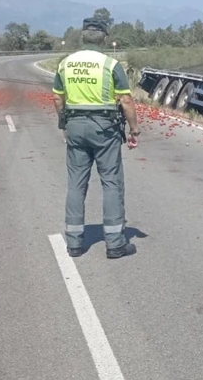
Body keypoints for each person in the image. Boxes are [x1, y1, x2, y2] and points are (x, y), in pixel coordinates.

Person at [51, 17, 141, 258]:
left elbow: (58, 99)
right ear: (104, 37)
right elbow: (126, 101)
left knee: (76, 184)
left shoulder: (65, 64)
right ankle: (115, 244)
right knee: (111, 182)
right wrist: (134, 130)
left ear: (82, 35)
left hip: (75, 127)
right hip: (105, 128)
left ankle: (74, 243)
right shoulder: (111, 65)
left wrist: (64, 124)